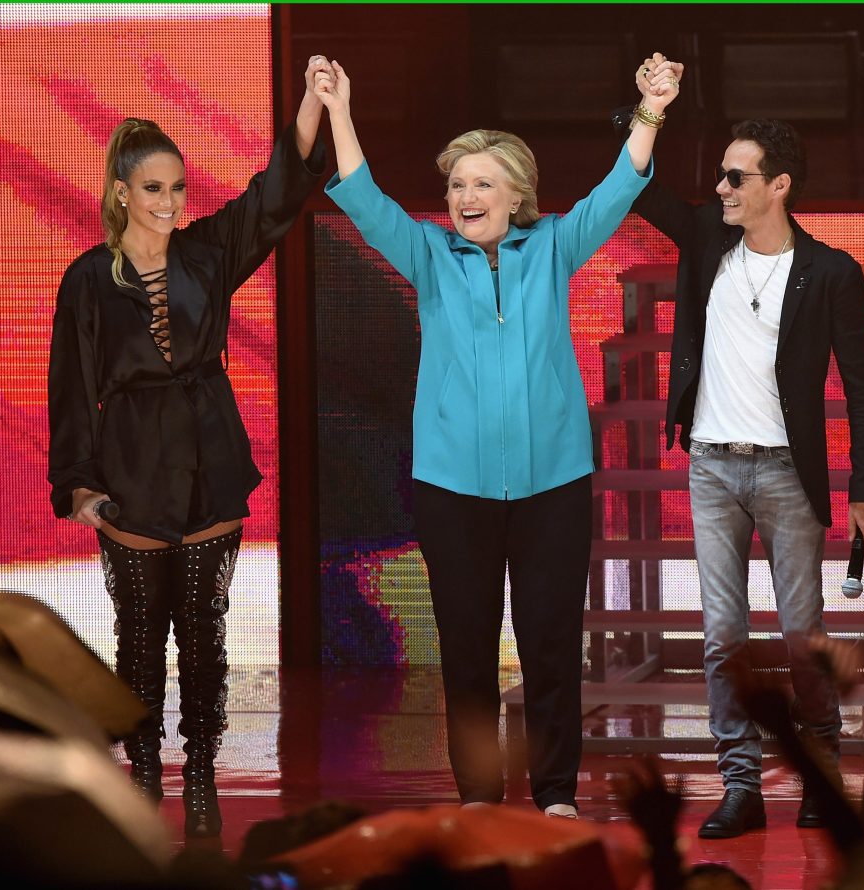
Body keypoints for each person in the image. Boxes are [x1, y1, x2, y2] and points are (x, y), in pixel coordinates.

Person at [315, 53, 682, 817]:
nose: (465, 195)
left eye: (482, 182)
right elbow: (365, 199)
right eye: (456, 184)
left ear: (519, 195)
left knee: (551, 650)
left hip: (553, 487)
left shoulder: (554, 247)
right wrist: (340, 111)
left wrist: (650, 110)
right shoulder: (427, 254)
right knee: (468, 654)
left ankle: (554, 795)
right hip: (454, 492)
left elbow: (620, 188)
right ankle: (479, 795)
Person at [47, 55, 332, 837]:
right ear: (120, 192)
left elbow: (273, 198)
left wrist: (310, 102)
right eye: (153, 188)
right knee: (138, 639)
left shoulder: (207, 254)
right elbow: (71, 391)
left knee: (204, 639)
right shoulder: (85, 282)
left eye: (177, 187)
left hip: (210, 456)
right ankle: (143, 777)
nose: (170, 201)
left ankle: (200, 775)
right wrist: (78, 486)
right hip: (132, 468)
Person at [619, 57, 864, 838]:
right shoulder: (709, 237)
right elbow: (640, 185)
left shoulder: (830, 272)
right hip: (711, 464)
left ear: (780, 186)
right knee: (721, 637)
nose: (722, 189)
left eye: (738, 178)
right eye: (720, 176)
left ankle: (819, 776)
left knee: (804, 638)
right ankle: (739, 786)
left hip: (785, 472)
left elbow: (863, 387)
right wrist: (649, 108)